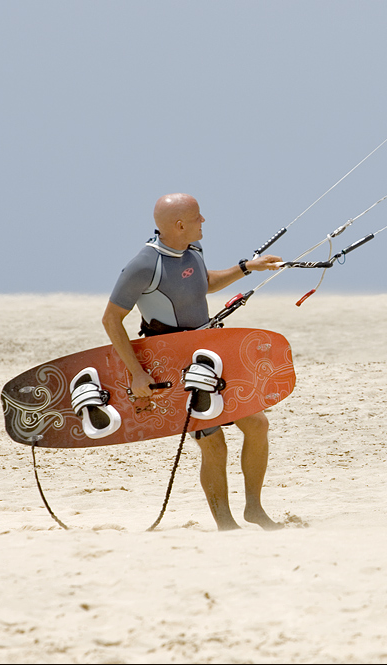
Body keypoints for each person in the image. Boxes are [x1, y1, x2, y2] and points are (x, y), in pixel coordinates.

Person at [102, 193, 284, 531]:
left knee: (257, 425)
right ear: (179, 225)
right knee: (213, 443)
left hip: (209, 355)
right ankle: (226, 524)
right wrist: (137, 374)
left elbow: (203, 284)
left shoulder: (193, 249)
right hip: (174, 365)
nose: (204, 221)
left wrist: (247, 268)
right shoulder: (143, 265)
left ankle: (254, 509)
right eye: (197, 217)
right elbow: (111, 319)